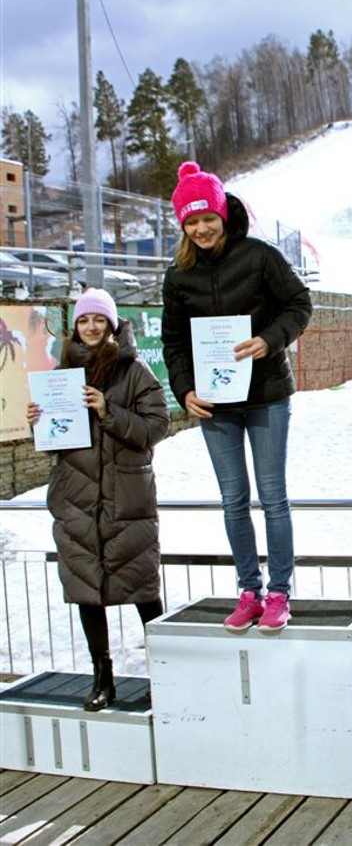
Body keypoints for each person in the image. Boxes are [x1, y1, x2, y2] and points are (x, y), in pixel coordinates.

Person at [162, 161, 313, 633]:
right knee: (232, 499)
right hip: (214, 402)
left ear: (224, 213)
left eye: (208, 217)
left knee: (272, 496)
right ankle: (248, 589)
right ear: (183, 226)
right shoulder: (178, 275)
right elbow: (173, 342)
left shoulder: (260, 256)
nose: (202, 228)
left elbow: (299, 304)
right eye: (191, 221)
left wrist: (269, 340)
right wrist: (184, 388)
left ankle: (280, 592)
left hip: (266, 393)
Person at [27, 288, 169, 710]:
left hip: (126, 497)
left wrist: (108, 412)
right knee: (87, 588)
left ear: (112, 325)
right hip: (76, 495)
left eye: (99, 320)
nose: (90, 328)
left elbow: (156, 427)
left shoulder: (135, 370)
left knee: (142, 586)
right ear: (76, 326)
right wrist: (40, 423)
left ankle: (168, 673)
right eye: (84, 321)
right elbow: (57, 444)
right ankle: (102, 677)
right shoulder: (62, 369)